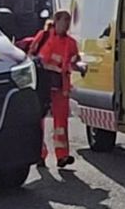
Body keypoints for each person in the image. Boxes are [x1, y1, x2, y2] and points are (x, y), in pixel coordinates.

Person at [29, 11, 85, 168]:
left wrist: (80, 67)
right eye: (64, 21)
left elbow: (74, 61)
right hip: (43, 84)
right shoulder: (44, 36)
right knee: (39, 121)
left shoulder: (71, 43)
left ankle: (62, 156)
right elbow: (33, 56)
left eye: (69, 21)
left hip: (61, 86)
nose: (66, 25)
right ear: (56, 21)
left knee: (61, 123)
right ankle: (39, 154)